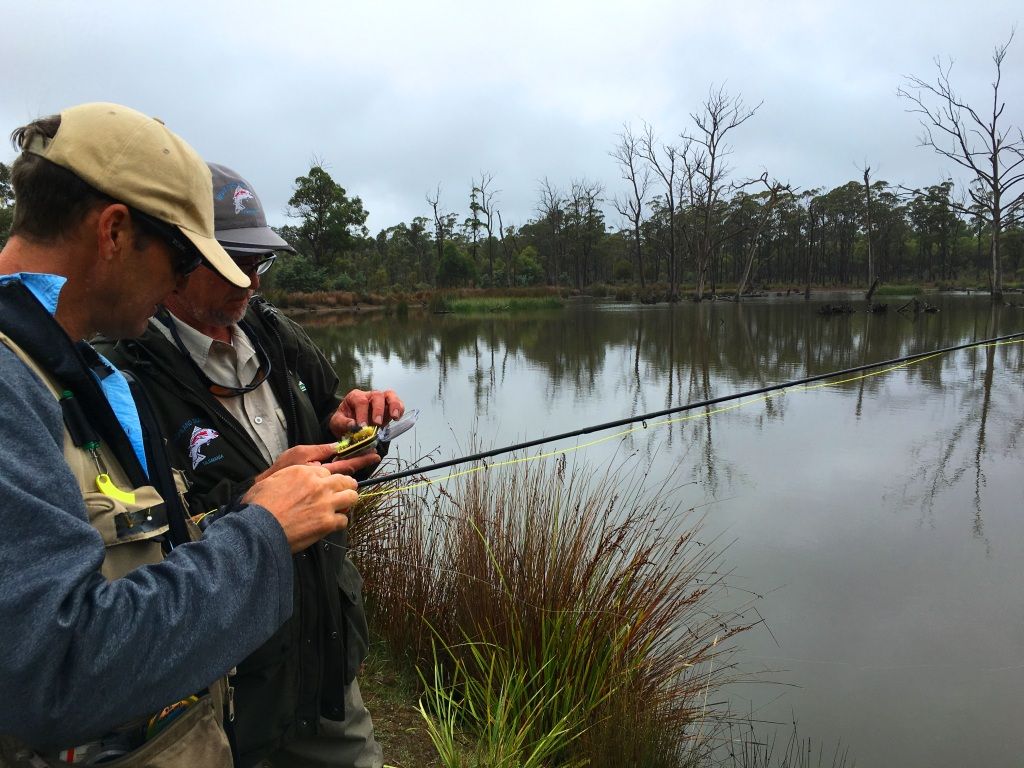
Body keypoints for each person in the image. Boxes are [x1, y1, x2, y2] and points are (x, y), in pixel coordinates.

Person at [0, 104, 360, 767]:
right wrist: (264, 534)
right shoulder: (12, 387)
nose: (179, 283)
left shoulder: (78, 370)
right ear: (112, 233)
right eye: (184, 255)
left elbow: (129, 572)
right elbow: (56, 670)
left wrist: (251, 504)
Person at [103, 163, 402, 768]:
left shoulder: (272, 332)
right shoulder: (119, 371)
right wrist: (257, 503)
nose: (252, 281)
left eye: (259, 262)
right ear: (177, 259)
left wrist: (351, 428)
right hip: (220, 691)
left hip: (321, 669)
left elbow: (327, 422)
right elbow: (127, 558)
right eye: (232, 261)